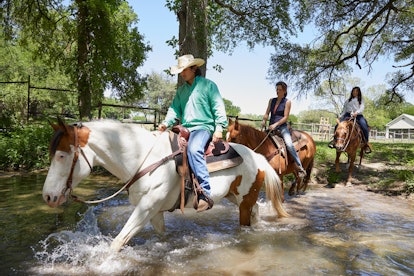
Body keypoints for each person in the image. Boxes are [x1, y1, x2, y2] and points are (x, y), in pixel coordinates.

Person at [158, 54, 228, 212]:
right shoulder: (181, 90)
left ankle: (204, 193)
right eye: (180, 71)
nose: (182, 74)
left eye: (184, 70)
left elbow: (218, 106)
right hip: (185, 129)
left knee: (194, 149)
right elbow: (174, 109)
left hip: (203, 128)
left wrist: (219, 128)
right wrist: (165, 123)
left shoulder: (208, 85)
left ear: (194, 68)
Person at [261, 81, 307, 180]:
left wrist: (275, 125)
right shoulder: (271, 100)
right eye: (276, 89)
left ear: (284, 91)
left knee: (289, 145)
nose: (277, 91)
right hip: (271, 128)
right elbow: (267, 113)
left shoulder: (287, 102)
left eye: (280, 90)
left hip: (282, 128)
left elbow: (285, 117)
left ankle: (299, 167)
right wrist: (264, 120)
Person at [328, 86, 371, 153]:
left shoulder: (361, 100)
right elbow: (344, 110)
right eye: (354, 91)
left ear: (359, 92)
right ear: (352, 92)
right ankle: (334, 141)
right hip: (347, 115)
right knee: (337, 126)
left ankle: (366, 143)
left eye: (356, 91)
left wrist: (356, 112)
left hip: (358, 115)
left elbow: (362, 108)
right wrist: (340, 117)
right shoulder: (347, 101)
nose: (355, 92)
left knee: (364, 126)